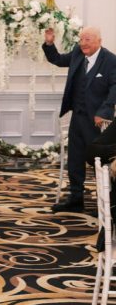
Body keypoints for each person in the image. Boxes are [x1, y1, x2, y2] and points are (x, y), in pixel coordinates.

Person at [43, 27, 116, 213]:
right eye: (81, 39)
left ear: (99, 40)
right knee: (75, 159)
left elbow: (115, 87)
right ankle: (76, 198)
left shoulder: (110, 60)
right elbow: (57, 60)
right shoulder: (77, 53)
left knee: (98, 161)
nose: (83, 43)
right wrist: (50, 44)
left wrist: (104, 111)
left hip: (97, 121)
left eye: (88, 39)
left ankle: (107, 201)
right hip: (77, 116)